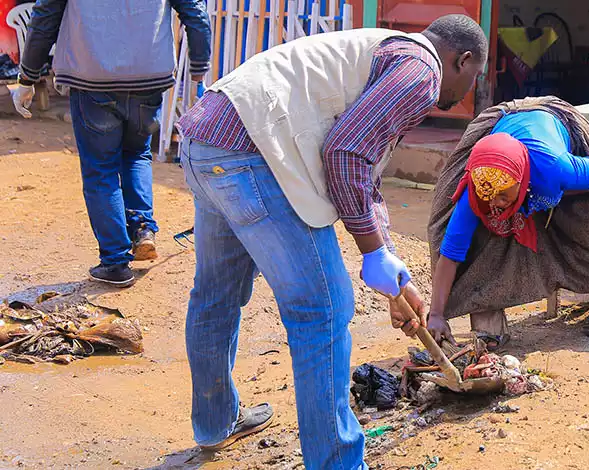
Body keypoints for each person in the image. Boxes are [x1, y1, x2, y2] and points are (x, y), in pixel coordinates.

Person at [174, 15, 487, 467]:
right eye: (474, 79)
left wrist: (392, 270)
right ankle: (338, 462)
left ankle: (215, 422)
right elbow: (344, 153)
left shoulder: (385, 49)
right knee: (322, 310)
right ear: (463, 60)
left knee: (216, 295)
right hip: (250, 154)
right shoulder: (422, 71)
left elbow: (364, 173)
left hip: (207, 139)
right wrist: (372, 252)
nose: (467, 91)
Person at [9, 0, 211, 287]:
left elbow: (44, 16)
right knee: (137, 154)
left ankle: (115, 262)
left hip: (92, 79)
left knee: (100, 170)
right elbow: (195, 11)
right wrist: (198, 71)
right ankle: (142, 229)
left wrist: (27, 77)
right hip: (149, 77)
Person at [426, 96, 589, 351]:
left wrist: (557, 196)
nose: (496, 203)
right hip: (504, 136)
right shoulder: (477, 191)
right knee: (479, 242)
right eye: (489, 198)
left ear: (522, 180)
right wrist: (436, 315)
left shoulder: (557, 168)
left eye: (504, 196)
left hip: (551, 138)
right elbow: (451, 253)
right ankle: (489, 328)